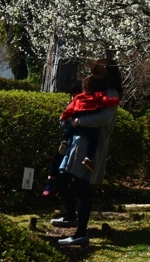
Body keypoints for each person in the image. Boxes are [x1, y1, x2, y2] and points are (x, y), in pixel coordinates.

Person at [52, 58, 123, 247]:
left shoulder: (110, 94)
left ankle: (80, 233)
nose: (93, 75)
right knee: (61, 179)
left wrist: (78, 122)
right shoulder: (97, 92)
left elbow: (104, 118)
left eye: (96, 72)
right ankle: (71, 216)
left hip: (89, 148)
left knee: (82, 187)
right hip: (77, 144)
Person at [42, 74, 120, 197]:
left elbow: (68, 111)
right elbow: (107, 102)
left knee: (66, 139)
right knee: (94, 140)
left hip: (75, 129)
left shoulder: (78, 99)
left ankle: (64, 142)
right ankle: (88, 157)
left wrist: (64, 117)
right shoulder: (98, 96)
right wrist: (115, 101)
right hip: (87, 128)